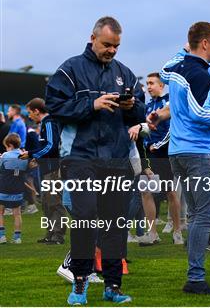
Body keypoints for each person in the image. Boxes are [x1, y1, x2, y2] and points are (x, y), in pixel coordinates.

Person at [46, 16, 145, 305]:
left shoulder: (124, 73)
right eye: (106, 44)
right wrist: (92, 104)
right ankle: (79, 283)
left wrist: (131, 106)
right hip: (81, 157)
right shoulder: (70, 69)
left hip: (116, 159)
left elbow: (139, 112)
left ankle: (113, 286)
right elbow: (54, 106)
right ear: (92, 38)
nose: (111, 50)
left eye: (116, 46)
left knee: (116, 223)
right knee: (86, 218)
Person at [160, 21, 210, 294]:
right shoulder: (201, 75)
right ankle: (195, 277)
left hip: (178, 152)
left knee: (197, 214)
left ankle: (195, 272)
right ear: (205, 43)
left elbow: (163, 69)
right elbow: (200, 113)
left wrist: (184, 49)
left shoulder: (176, 67)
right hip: (200, 153)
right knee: (206, 214)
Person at [128, 72, 183, 246]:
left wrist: (158, 144)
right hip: (150, 155)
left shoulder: (169, 102)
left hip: (165, 153)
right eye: (148, 83)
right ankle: (152, 233)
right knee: (146, 191)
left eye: (152, 83)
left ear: (162, 85)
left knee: (170, 192)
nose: (149, 86)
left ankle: (177, 231)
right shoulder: (147, 105)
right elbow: (146, 130)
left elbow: (172, 128)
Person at [21, 97, 65, 244]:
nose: (29, 115)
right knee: (46, 204)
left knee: (54, 203)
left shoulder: (49, 123)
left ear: (36, 111)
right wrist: (36, 157)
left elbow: (51, 146)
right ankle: (50, 234)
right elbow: (45, 148)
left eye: (29, 112)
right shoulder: (45, 124)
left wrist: (31, 154)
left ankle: (58, 236)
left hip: (53, 170)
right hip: (46, 169)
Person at [0, 133, 28, 244]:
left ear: (10, 145)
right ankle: (17, 238)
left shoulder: (5, 156)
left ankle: (1, 236)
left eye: (6, 146)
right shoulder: (24, 156)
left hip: (4, 187)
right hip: (18, 188)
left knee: (0, 212)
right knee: (17, 214)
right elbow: (27, 169)